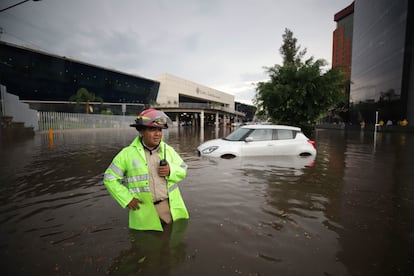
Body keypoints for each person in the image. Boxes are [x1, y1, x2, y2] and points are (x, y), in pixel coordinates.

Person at [103, 109, 189, 231]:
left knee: (173, 244)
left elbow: (183, 169)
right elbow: (109, 178)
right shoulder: (127, 154)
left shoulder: (168, 150)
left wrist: (171, 170)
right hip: (143, 212)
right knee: (147, 244)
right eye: (152, 129)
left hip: (169, 207)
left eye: (159, 130)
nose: (158, 134)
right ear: (141, 131)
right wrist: (127, 199)